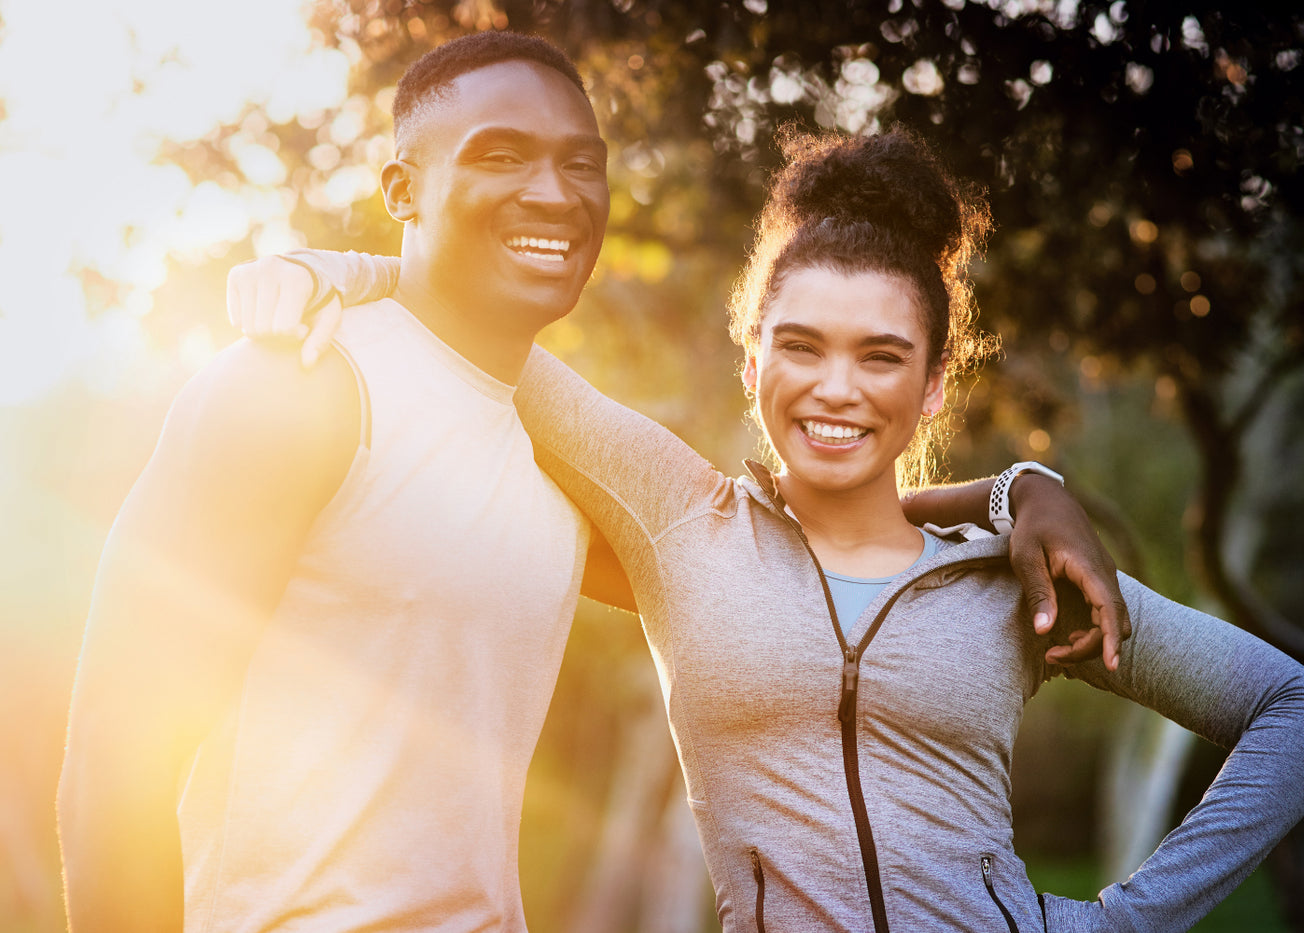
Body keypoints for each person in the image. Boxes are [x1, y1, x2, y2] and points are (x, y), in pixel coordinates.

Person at [58, 32, 1125, 933]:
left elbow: (800, 543)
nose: (553, 194)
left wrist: (1020, 490)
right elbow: (117, 749)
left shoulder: (556, 456)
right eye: (502, 156)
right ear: (400, 189)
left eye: (582, 164)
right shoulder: (295, 388)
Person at [239, 126, 1304, 931]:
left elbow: (1303, 716)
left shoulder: (1014, 579)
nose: (836, 388)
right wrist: (335, 269)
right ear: (752, 358)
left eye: (881, 357)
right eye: (802, 346)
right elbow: (475, 322)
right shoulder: (679, 519)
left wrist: (1119, 921)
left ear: (930, 389)